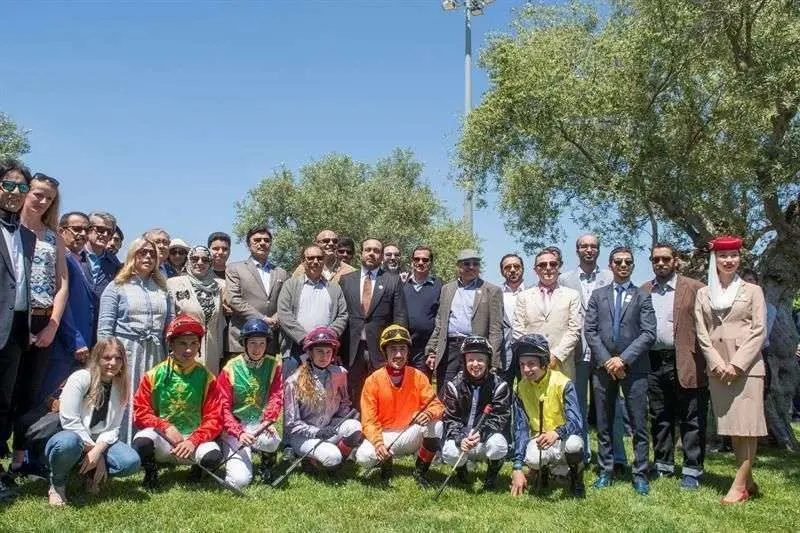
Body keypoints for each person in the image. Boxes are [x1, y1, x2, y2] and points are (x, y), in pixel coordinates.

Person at [694, 235, 767, 504]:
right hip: (718, 369)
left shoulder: (752, 291)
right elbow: (702, 333)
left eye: (734, 256)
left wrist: (737, 364)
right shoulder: (704, 293)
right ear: (715, 260)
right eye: (723, 256)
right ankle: (748, 479)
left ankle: (739, 488)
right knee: (735, 427)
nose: (729, 261)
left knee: (748, 427)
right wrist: (717, 363)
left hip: (747, 368)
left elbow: (759, 331)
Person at [585, 246, 656, 495]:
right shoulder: (598, 295)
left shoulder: (642, 296)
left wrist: (623, 360)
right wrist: (608, 361)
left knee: (638, 423)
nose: (623, 265)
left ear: (633, 266)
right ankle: (605, 470)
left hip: (634, 368)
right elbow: (590, 332)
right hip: (603, 369)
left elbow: (649, 333)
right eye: (618, 261)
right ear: (611, 265)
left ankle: (640, 473)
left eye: (628, 262)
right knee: (603, 422)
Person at [12, 173, 69, 473]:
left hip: (44, 319)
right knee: (5, 389)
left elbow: (62, 283)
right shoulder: (8, 229)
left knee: (30, 392)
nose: (42, 201)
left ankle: (19, 458)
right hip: (12, 317)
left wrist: (53, 325)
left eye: (49, 198)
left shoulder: (52, 236)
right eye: (38, 194)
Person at [641, 243, 707, 489]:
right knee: (660, 416)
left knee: (691, 416)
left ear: (675, 260)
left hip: (687, 360)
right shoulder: (644, 290)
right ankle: (663, 465)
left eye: (665, 259)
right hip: (654, 362)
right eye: (656, 259)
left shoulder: (695, 288)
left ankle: (692, 469)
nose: (660, 263)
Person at [44, 337, 141, 507]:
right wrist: (98, 455)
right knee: (68, 443)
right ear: (97, 358)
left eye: (118, 358)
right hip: (68, 435)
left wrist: (99, 450)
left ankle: (89, 475)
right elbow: (70, 421)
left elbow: (114, 427)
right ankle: (57, 483)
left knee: (131, 461)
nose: (113, 363)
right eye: (107, 358)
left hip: (98, 440)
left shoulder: (121, 385)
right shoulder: (81, 377)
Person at [131, 314, 223, 489]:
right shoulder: (154, 375)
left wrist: (193, 440)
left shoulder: (207, 378)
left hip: (193, 442)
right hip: (165, 440)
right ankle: (151, 472)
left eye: (194, 343)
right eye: (182, 343)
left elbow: (215, 418)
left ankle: (197, 469)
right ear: (171, 344)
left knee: (213, 457)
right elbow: (140, 411)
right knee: (142, 442)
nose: (188, 350)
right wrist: (165, 426)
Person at [97, 237, 174, 443]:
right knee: (125, 397)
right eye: (142, 252)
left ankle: (149, 444)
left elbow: (171, 324)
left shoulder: (163, 289)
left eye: (152, 253)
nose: (148, 256)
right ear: (132, 256)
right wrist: (108, 359)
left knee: (153, 397)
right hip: (126, 351)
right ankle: (120, 442)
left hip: (156, 352)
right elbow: (105, 327)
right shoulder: (117, 287)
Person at [558, 233, 623, 468]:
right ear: (577, 250)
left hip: (605, 352)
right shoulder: (564, 279)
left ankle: (618, 456)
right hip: (576, 352)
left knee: (611, 406)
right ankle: (580, 453)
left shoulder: (609, 277)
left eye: (593, 246)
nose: (589, 250)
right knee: (576, 406)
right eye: (584, 246)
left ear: (598, 250)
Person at [355, 325, 444, 486]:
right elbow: (368, 420)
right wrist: (378, 443)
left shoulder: (418, 376)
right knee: (363, 458)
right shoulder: (373, 380)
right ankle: (385, 463)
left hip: (410, 433)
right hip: (385, 436)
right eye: (393, 349)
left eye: (402, 349)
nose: (398, 354)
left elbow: (437, 406)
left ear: (408, 352)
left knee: (436, 425)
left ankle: (420, 471)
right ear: (385, 352)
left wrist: (428, 414)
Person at [509, 334, 585, 497]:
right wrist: (517, 467)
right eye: (522, 365)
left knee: (574, 445)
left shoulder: (564, 383)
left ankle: (576, 478)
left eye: (531, 364)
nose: (526, 370)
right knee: (533, 458)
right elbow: (521, 428)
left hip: (564, 437)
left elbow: (576, 421)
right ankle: (542, 472)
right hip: (540, 438)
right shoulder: (520, 389)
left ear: (544, 363)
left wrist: (557, 433)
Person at [0, 160, 36, 501]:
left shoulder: (26, 234)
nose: (15, 193)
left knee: (3, 402)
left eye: (21, 188)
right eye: (8, 185)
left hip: (14, 331)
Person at [284, 327, 363, 473]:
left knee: (355, 427)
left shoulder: (340, 374)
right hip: (303, 437)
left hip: (329, 429)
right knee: (333, 458)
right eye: (319, 351)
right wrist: (317, 433)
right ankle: (314, 457)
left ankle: (333, 455)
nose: (324, 356)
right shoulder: (293, 381)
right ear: (309, 352)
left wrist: (341, 418)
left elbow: (345, 403)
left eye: (328, 352)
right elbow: (291, 424)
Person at [339, 238, 408, 404]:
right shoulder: (346, 280)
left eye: (376, 250)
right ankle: (355, 427)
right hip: (352, 350)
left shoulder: (392, 280)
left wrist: (396, 349)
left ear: (381, 256)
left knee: (381, 391)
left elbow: (400, 317)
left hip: (380, 349)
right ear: (361, 253)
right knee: (353, 391)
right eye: (367, 250)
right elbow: (340, 315)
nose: (371, 253)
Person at [426, 249, 503, 395]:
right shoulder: (447, 289)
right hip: (450, 349)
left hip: (475, 350)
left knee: (471, 393)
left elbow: (495, 330)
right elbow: (440, 324)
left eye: (475, 263)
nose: (471, 267)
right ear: (458, 267)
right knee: (445, 391)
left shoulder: (492, 291)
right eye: (467, 263)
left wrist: (493, 361)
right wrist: (432, 350)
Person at [217, 319, 283, 488]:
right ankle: (228, 449)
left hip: (259, 424)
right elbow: (222, 407)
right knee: (240, 481)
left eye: (262, 343)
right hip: (235, 427)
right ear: (244, 343)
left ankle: (266, 465)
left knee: (272, 441)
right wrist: (238, 433)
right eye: (252, 343)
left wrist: (268, 420)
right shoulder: (230, 368)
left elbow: (276, 396)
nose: (257, 348)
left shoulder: (273, 365)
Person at [441, 336, 510, 489]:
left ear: (488, 361)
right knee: (449, 451)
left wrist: (482, 433)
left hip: (485, 437)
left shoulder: (500, 385)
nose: (475, 364)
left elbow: (500, 417)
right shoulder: (453, 385)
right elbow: (450, 418)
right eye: (471, 360)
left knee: (499, 444)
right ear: (464, 361)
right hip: (464, 437)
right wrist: (460, 438)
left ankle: (491, 477)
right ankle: (462, 470)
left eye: (480, 360)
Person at [41, 212, 95, 401]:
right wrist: (76, 340)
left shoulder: (81, 261)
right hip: (64, 345)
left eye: (86, 230)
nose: (82, 234)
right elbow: (63, 305)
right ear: (61, 231)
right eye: (76, 229)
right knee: (48, 399)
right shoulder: (60, 258)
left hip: (80, 346)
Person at [277, 245, 348, 379]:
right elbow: (284, 313)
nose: (315, 261)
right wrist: (306, 339)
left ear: (324, 261)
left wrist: (326, 337)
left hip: (325, 350)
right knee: (291, 394)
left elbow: (342, 315)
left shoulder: (334, 288)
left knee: (323, 394)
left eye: (319, 258)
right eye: (310, 258)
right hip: (296, 350)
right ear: (303, 261)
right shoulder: (290, 285)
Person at [511, 249, 581, 380]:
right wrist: (534, 357)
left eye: (553, 264)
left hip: (562, 366)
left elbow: (574, 330)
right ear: (535, 270)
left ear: (559, 267)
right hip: (532, 367)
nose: (548, 268)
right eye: (542, 265)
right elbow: (518, 330)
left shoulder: (572, 295)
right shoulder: (523, 296)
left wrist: (556, 356)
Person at [227, 225, 287, 355]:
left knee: (268, 375)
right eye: (257, 240)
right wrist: (263, 318)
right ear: (249, 244)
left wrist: (277, 317)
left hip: (269, 339)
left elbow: (285, 301)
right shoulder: (235, 268)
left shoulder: (280, 272)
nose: (262, 243)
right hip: (242, 338)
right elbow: (234, 299)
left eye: (266, 240)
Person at [167, 246, 226, 374]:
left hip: (212, 351)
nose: (200, 263)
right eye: (195, 259)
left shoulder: (219, 286)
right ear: (188, 260)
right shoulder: (173, 284)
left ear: (210, 263)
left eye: (205, 260)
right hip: (183, 350)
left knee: (208, 388)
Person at [403, 245, 442, 378]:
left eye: (425, 260)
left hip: (425, 348)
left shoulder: (439, 286)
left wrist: (434, 350)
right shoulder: (401, 283)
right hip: (402, 345)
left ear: (431, 263)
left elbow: (441, 318)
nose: (420, 263)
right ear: (412, 261)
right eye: (417, 259)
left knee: (421, 385)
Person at [78, 211, 122, 327]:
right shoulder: (72, 256)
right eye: (101, 230)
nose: (105, 235)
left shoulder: (115, 263)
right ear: (88, 229)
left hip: (100, 327)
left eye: (109, 232)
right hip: (73, 325)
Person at [500, 253, 525, 375]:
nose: (513, 270)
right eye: (508, 267)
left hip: (527, 352)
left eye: (516, 266)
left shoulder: (533, 292)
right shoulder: (495, 293)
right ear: (502, 271)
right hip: (504, 354)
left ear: (522, 269)